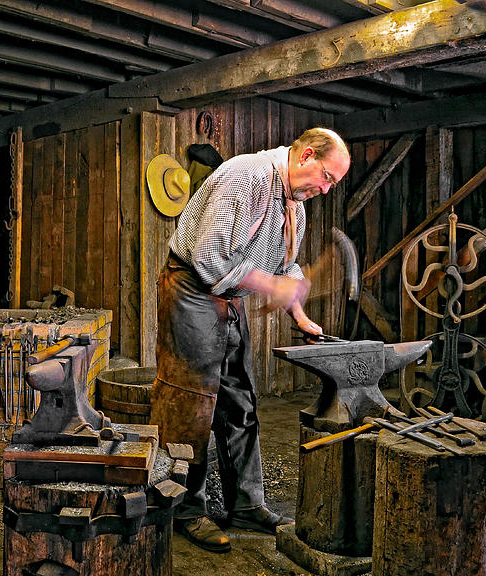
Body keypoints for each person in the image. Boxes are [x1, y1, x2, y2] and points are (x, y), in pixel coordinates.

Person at [149, 127, 351, 553]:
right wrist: (268, 285)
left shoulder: (293, 200)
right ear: (307, 156)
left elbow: (286, 266)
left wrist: (298, 310)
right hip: (193, 290)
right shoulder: (244, 176)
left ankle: (245, 504)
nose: (326, 189)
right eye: (327, 177)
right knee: (192, 405)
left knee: (240, 401)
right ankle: (186, 509)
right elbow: (207, 259)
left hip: (229, 297)